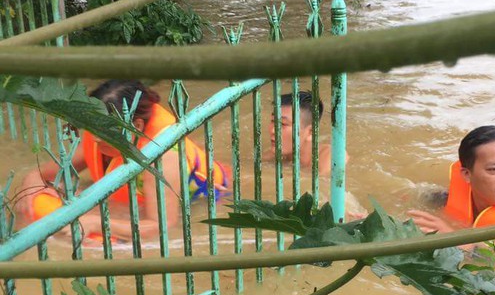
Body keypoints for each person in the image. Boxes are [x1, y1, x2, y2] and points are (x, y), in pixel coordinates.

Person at [17, 80, 230, 241]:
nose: (96, 136)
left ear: (136, 126)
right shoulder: (97, 138)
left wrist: (95, 223)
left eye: (105, 129)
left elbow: (162, 226)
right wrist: (31, 186)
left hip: (206, 197)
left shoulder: (163, 159)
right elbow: (40, 173)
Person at [264, 90, 337, 175]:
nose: (273, 130)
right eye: (273, 121)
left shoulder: (331, 157)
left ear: (311, 132)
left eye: (283, 124)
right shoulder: (274, 155)